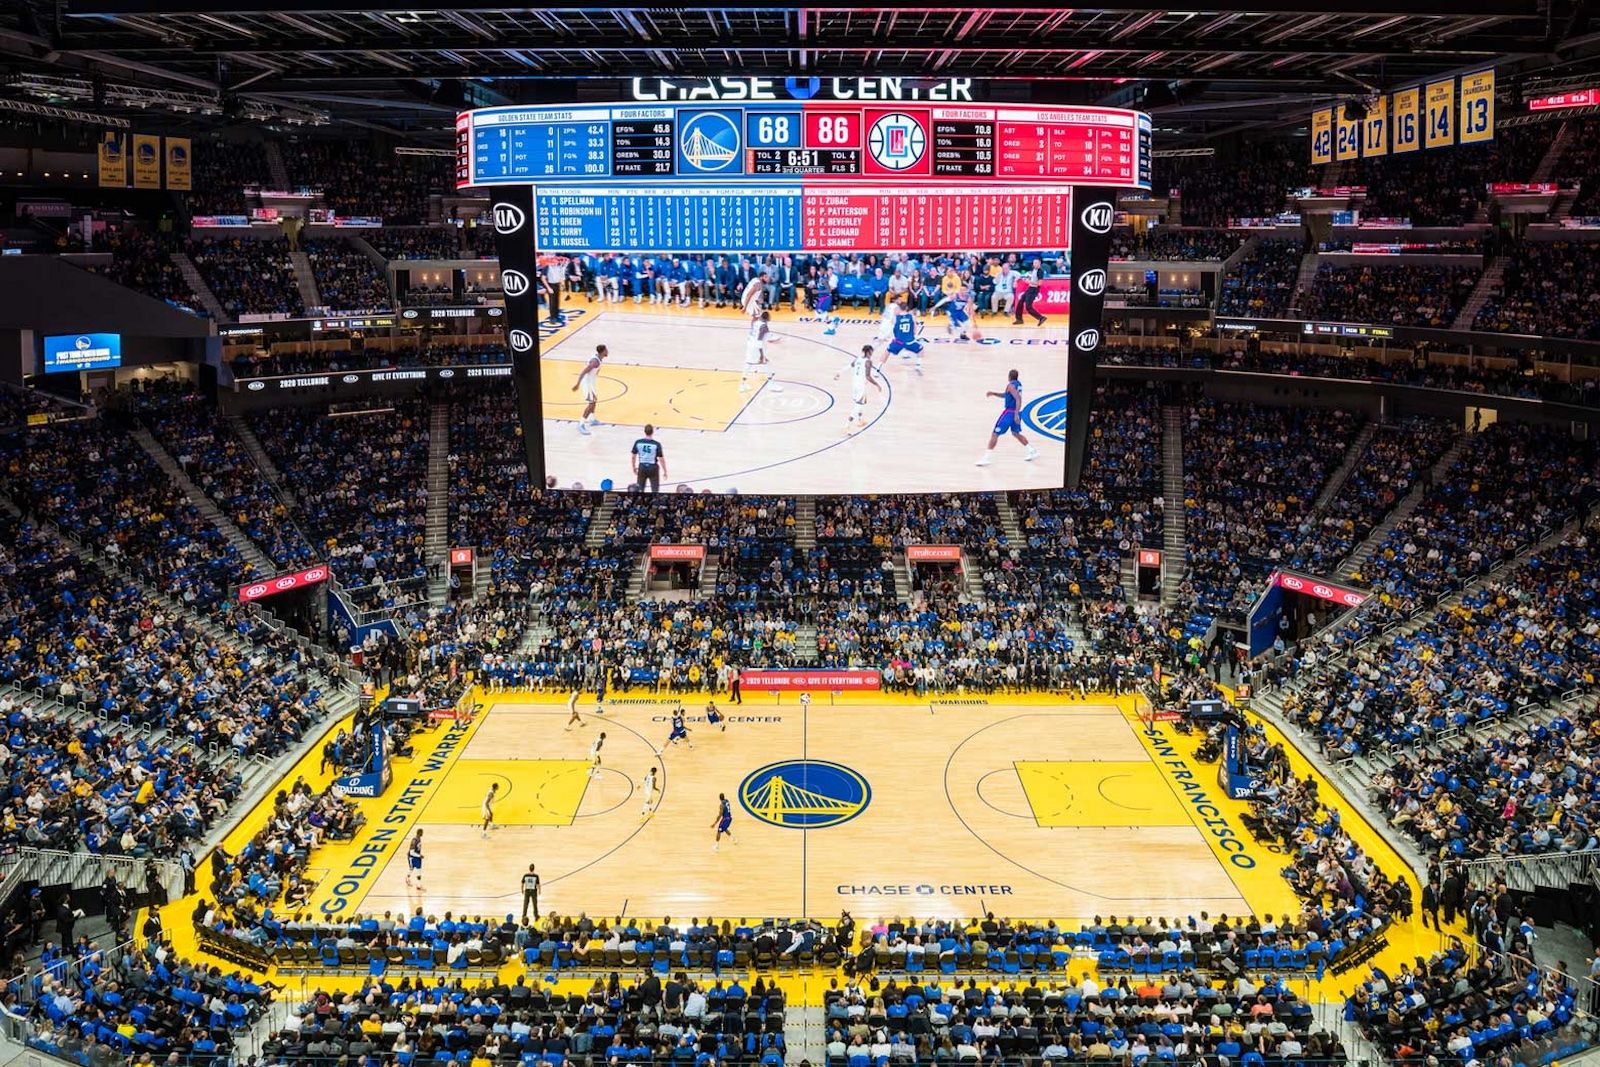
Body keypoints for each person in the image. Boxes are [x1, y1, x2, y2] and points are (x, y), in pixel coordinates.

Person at [977, 369, 1038, 466]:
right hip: (1015, 412)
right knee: (1015, 433)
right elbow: (1007, 395)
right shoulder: (1018, 384)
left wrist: (1016, 414)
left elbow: (1018, 398)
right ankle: (1031, 450)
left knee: (995, 434)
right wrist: (994, 393)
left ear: (1009, 376)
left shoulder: (1010, 385)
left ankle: (986, 458)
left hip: (1010, 412)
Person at [836, 344, 883, 436]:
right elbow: (868, 376)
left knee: (862, 402)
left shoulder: (858, 359)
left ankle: (860, 420)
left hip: (854, 385)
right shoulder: (868, 362)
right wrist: (877, 384)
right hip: (861, 385)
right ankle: (847, 426)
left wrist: (839, 372)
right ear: (869, 352)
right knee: (857, 406)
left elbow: (849, 366)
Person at [741, 311, 782, 394]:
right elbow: (759, 340)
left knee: (748, 364)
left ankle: (743, 385)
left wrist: (771, 339)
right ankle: (771, 384)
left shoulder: (756, 323)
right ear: (767, 318)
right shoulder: (764, 326)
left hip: (750, 346)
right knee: (767, 364)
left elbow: (764, 336)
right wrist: (761, 355)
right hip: (757, 348)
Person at [571, 344, 606, 436]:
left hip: (591, 382)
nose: (607, 352)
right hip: (586, 383)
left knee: (594, 400)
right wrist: (577, 384)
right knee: (591, 403)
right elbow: (584, 371)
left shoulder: (599, 358)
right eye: (606, 350)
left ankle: (592, 419)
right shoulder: (595, 362)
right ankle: (581, 424)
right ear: (602, 352)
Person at [883, 296, 925, 372]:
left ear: (899, 308)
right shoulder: (912, 316)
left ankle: (879, 368)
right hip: (909, 341)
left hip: (898, 341)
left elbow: (892, 328)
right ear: (907, 308)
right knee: (921, 349)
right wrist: (914, 335)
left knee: (887, 351)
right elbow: (915, 329)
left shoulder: (895, 318)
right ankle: (918, 365)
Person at [631, 424, 666, 493]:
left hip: (642, 467)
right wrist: (665, 471)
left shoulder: (638, 442)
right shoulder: (656, 444)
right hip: (653, 467)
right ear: (652, 432)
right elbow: (661, 459)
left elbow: (633, 457)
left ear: (644, 431)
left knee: (640, 489)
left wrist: (634, 467)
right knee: (655, 489)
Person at [1013, 259, 1048, 325]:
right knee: (1020, 302)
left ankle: (1041, 318)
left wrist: (1029, 282)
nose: (1035, 264)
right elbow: (1032, 278)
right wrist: (1027, 279)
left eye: (1036, 263)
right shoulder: (1034, 270)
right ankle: (1019, 319)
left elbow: (1040, 283)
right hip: (1030, 288)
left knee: (1028, 307)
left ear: (1039, 263)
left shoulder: (1040, 271)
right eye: (1034, 263)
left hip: (1034, 290)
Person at [542, 256, 568, 325]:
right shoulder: (547, 267)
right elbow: (543, 278)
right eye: (555, 260)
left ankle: (556, 316)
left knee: (557, 301)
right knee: (552, 302)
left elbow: (560, 276)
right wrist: (548, 288)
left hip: (557, 285)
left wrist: (562, 285)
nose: (556, 261)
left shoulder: (558, 267)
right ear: (551, 260)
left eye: (557, 260)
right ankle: (552, 317)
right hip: (551, 285)